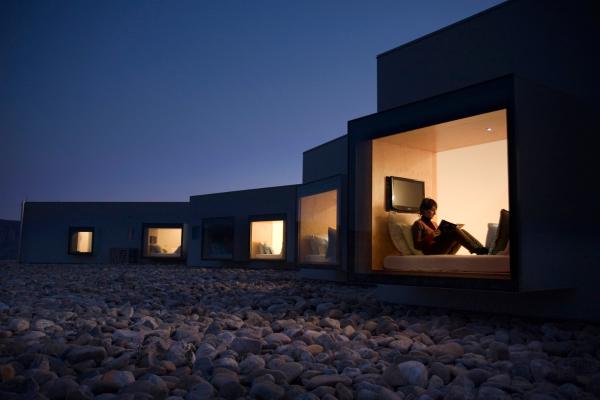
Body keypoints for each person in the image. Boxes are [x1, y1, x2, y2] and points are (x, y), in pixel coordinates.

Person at [411, 198, 488, 255]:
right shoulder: (418, 224)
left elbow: (440, 238)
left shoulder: (434, 223)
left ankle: (481, 248)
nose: (435, 213)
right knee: (454, 230)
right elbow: (417, 246)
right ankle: (478, 250)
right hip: (432, 252)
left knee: (461, 231)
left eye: (435, 210)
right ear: (424, 210)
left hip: (443, 249)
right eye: (433, 210)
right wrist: (431, 236)